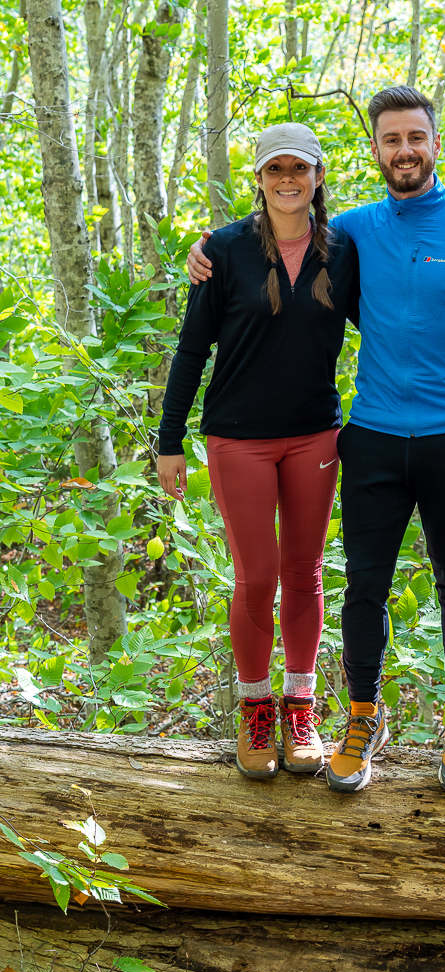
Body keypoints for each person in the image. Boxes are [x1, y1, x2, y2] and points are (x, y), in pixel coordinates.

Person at [186, 85, 445, 796]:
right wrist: (208, 254)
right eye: (391, 140)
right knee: (362, 589)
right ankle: (359, 720)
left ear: (436, 144)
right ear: (374, 150)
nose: (404, 151)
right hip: (371, 438)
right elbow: (274, 252)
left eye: (416, 137)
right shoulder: (347, 236)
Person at [157, 122, 360, 782]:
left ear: (318, 177)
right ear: (259, 179)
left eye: (299, 169)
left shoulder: (344, 251)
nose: (287, 181)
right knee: (257, 576)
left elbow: (393, 323)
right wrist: (170, 441)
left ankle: (300, 707)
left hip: (314, 436)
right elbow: (192, 350)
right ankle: (254, 710)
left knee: (304, 573)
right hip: (238, 439)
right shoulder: (223, 251)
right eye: (275, 170)